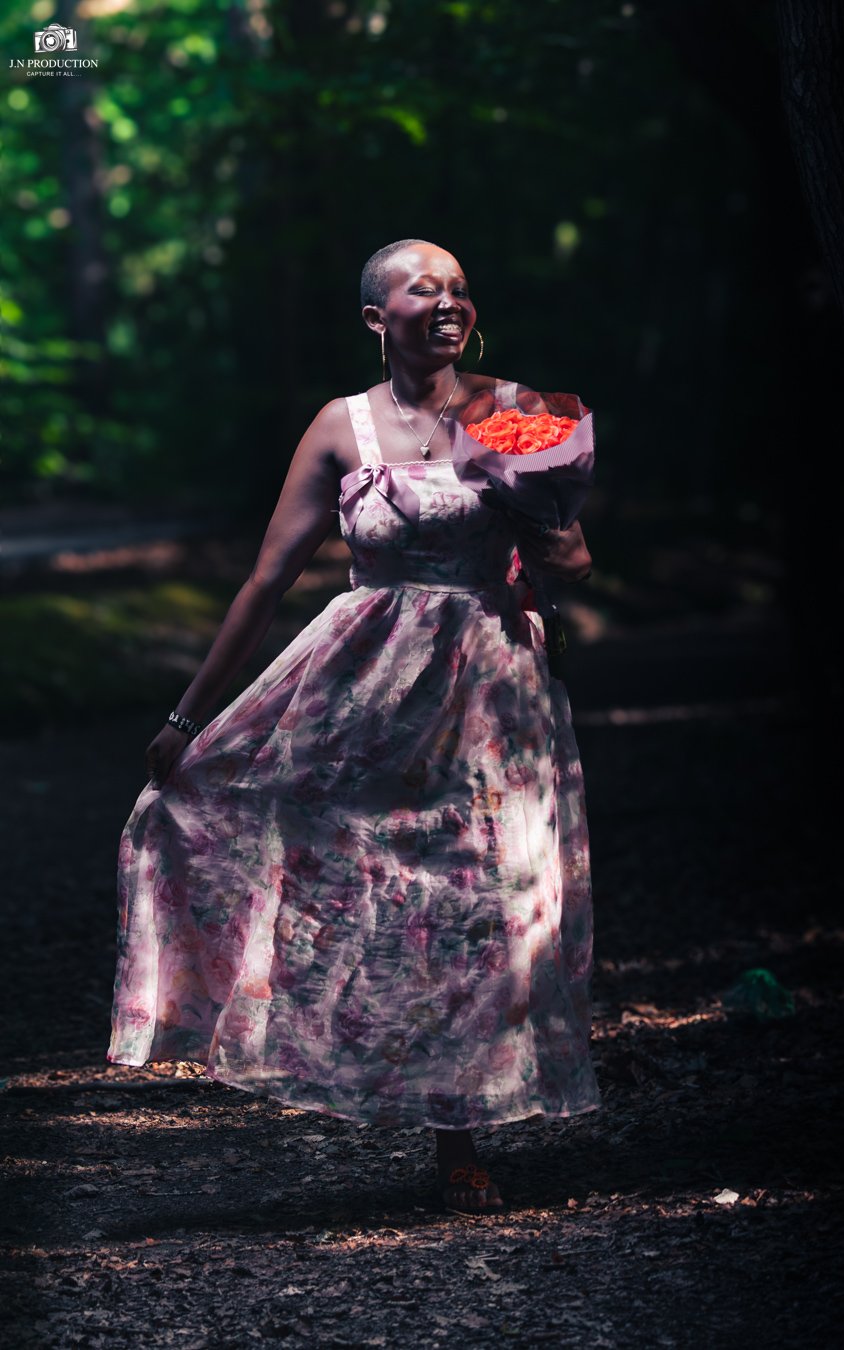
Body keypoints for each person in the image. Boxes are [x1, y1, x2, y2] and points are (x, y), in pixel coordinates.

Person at [107, 238, 600, 1216]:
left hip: (491, 694)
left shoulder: (520, 412)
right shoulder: (340, 430)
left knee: (481, 905)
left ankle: (461, 1137)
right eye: (425, 288)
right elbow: (266, 577)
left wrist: (533, 517)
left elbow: (573, 562)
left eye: (460, 285)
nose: (448, 301)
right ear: (379, 317)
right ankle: (344, 1068)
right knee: (375, 895)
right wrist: (187, 715)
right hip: (364, 690)